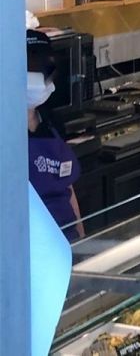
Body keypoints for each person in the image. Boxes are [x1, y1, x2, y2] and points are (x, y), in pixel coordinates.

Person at [26, 30, 85, 242]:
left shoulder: (51, 122)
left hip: (66, 237)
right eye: (33, 67)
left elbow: (67, 186)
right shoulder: (7, 132)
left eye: (46, 68)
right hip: (33, 244)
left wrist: (81, 236)